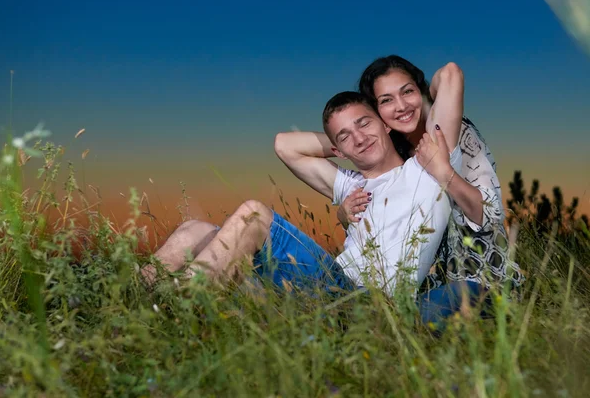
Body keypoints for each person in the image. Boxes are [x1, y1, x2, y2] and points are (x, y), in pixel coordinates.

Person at [142, 90, 462, 299]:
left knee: (254, 214)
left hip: (362, 299)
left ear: (386, 124)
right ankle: (133, 295)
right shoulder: (349, 184)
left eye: (365, 124)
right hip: (324, 283)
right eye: (345, 137)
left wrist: (362, 129)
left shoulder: (425, 169)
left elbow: (449, 78)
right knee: (194, 230)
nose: (360, 138)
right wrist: (344, 141)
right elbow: (284, 144)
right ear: (336, 149)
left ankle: (179, 302)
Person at [337, 56, 525, 325]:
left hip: (484, 278)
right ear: (377, 114)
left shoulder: (456, 134)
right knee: (389, 321)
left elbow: (488, 215)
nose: (401, 106)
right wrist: (343, 215)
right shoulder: (397, 154)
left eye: (408, 91)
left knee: (410, 322)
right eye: (386, 100)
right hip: (435, 284)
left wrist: (444, 172)